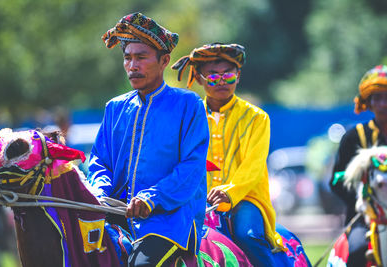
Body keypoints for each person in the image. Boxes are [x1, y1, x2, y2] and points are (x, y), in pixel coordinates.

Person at [87, 12, 209, 267]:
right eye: (127, 58)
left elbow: (192, 167)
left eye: (141, 57)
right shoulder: (114, 107)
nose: (133, 65)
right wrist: (101, 193)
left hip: (168, 220)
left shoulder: (189, 105)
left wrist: (151, 198)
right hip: (115, 216)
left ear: (164, 60)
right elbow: (99, 162)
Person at [172, 43, 282, 267]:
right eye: (213, 77)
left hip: (245, 199)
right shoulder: (188, 119)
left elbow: (254, 166)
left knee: (248, 235)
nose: (221, 82)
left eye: (228, 76)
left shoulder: (257, 118)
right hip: (196, 200)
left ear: (238, 77)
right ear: (200, 79)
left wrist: (229, 192)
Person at [330, 64, 387, 266]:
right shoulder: (354, 137)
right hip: (364, 218)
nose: (383, 104)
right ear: (368, 102)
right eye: (377, 98)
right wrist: (365, 202)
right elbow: (336, 182)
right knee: (357, 251)